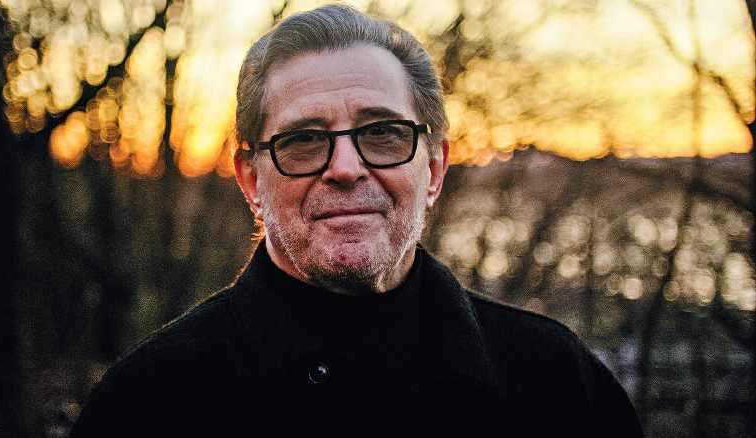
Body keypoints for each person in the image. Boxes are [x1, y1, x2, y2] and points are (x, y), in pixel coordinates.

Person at [69, 4, 644, 437]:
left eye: (382, 133)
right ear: (250, 180)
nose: (345, 169)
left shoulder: (557, 387)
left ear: (434, 168)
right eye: (303, 140)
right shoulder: (149, 404)